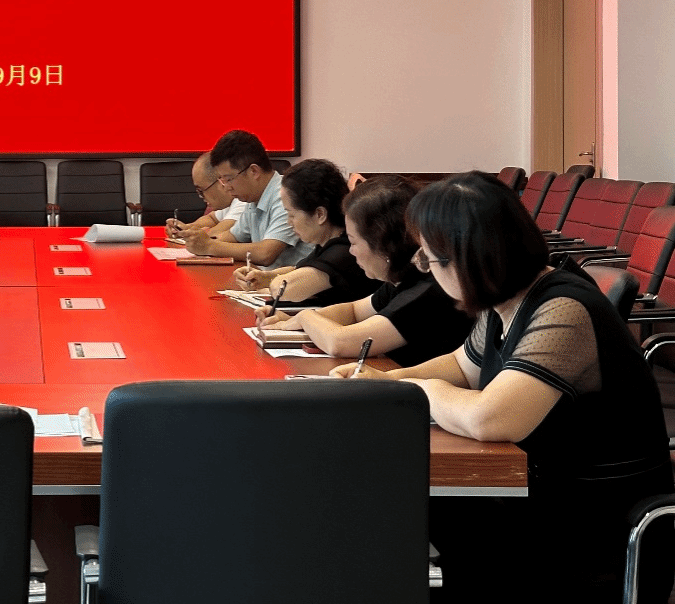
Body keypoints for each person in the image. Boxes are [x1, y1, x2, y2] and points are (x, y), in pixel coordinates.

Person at [333, 171, 674, 604]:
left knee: (398, 518)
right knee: (394, 509)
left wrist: (413, 391)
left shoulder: (565, 309)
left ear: (469, 259)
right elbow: (462, 366)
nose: (424, 268)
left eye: (429, 259)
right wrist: (383, 381)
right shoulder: (507, 298)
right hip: (539, 506)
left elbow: (490, 418)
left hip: (590, 536)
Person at [257, 174, 472, 364]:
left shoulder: (427, 289)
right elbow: (353, 311)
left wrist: (306, 317)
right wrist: (291, 320)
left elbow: (340, 343)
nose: (350, 251)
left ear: (383, 244)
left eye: (353, 242)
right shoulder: (402, 276)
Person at [234, 158, 382, 306]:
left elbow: (286, 289)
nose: (289, 222)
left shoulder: (344, 251)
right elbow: (299, 269)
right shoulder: (327, 243)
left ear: (320, 214)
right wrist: (264, 277)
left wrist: (272, 281)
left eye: (292, 215)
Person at [182, 130, 311, 267]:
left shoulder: (285, 195)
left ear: (253, 171)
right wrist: (199, 239)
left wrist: (209, 246)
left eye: (228, 179)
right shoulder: (253, 198)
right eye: (222, 180)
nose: (227, 187)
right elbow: (232, 237)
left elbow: (265, 254)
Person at [164, 153, 247, 239]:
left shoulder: (243, 201)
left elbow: (214, 235)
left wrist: (187, 233)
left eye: (201, 191)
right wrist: (185, 228)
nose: (202, 197)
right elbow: (212, 218)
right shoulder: (229, 202)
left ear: (221, 181)